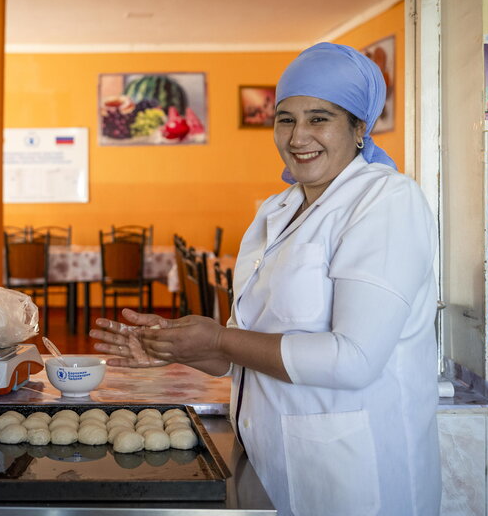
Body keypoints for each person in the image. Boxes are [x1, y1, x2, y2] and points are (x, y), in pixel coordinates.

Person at [91, 43, 441, 515]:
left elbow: (354, 359)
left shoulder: (387, 202)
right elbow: (245, 354)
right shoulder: (277, 211)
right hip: (265, 463)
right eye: (285, 119)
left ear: (360, 128)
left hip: (353, 476)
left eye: (319, 118)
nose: (298, 136)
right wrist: (177, 347)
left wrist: (219, 338)